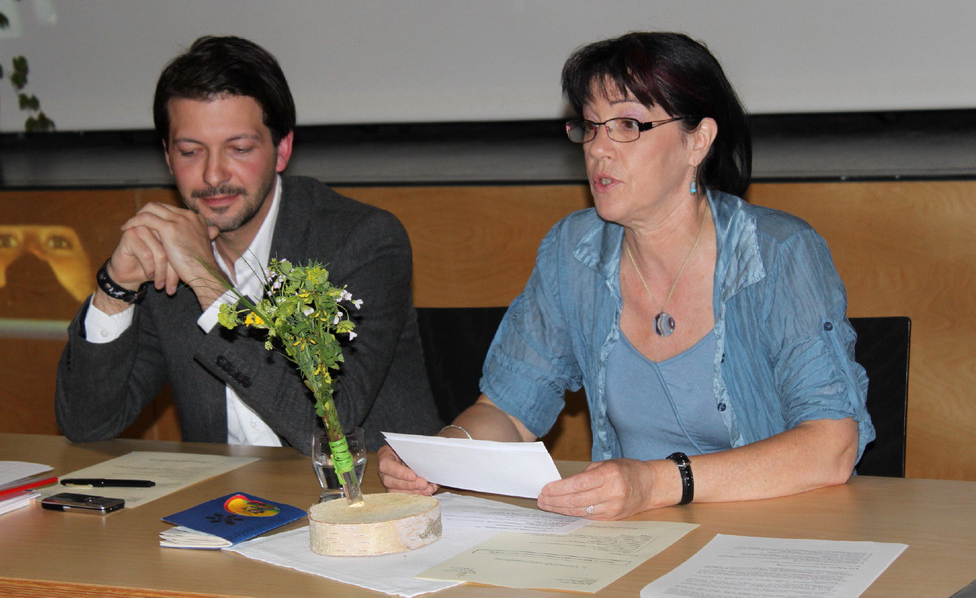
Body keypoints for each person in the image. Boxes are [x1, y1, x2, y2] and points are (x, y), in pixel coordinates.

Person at [379, 31, 874, 519]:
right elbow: (507, 410)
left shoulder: (777, 252)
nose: (599, 148)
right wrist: (439, 455)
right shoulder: (574, 251)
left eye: (628, 125)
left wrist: (656, 482)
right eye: (591, 126)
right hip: (631, 541)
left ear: (698, 141)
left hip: (770, 534)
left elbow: (831, 446)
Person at [56, 35, 442, 452]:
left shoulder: (360, 241)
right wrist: (115, 290)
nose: (213, 175)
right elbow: (87, 424)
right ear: (167, 157)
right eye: (190, 152)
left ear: (282, 149)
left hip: (365, 489)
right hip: (229, 492)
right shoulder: (165, 252)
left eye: (238, 149)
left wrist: (209, 284)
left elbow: (327, 423)